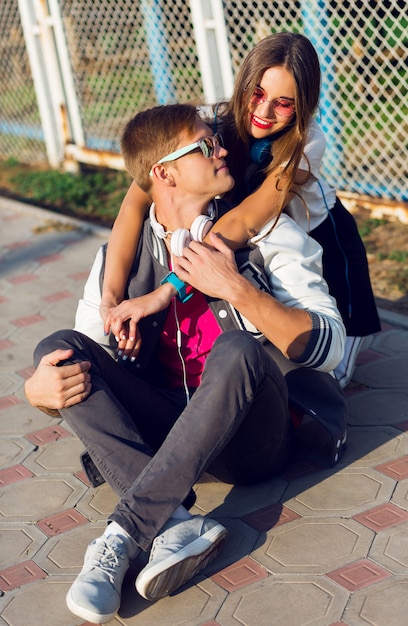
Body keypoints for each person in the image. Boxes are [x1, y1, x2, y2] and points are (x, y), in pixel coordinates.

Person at [25, 104, 346, 624]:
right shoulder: (123, 258)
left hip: (252, 441)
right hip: (170, 432)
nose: (222, 149)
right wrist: (37, 395)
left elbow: (328, 345)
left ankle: (126, 530)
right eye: (205, 144)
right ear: (164, 173)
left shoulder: (265, 237)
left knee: (239, 349)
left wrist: (238, 290)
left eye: (216, 140)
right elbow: (88, 351)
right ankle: (174, 525)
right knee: (57, 347)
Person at [99, 31, 380, 387]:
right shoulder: (207, 124)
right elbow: (135, 204)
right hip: (258, 245)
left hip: (323, 243)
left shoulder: (307, 143)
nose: (263, 112)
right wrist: (109, 299)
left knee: (330, 380)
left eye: (283, 103)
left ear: (303, 105)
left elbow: (246, 219)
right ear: (244, 84)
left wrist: (165, 290)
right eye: (257, 94)